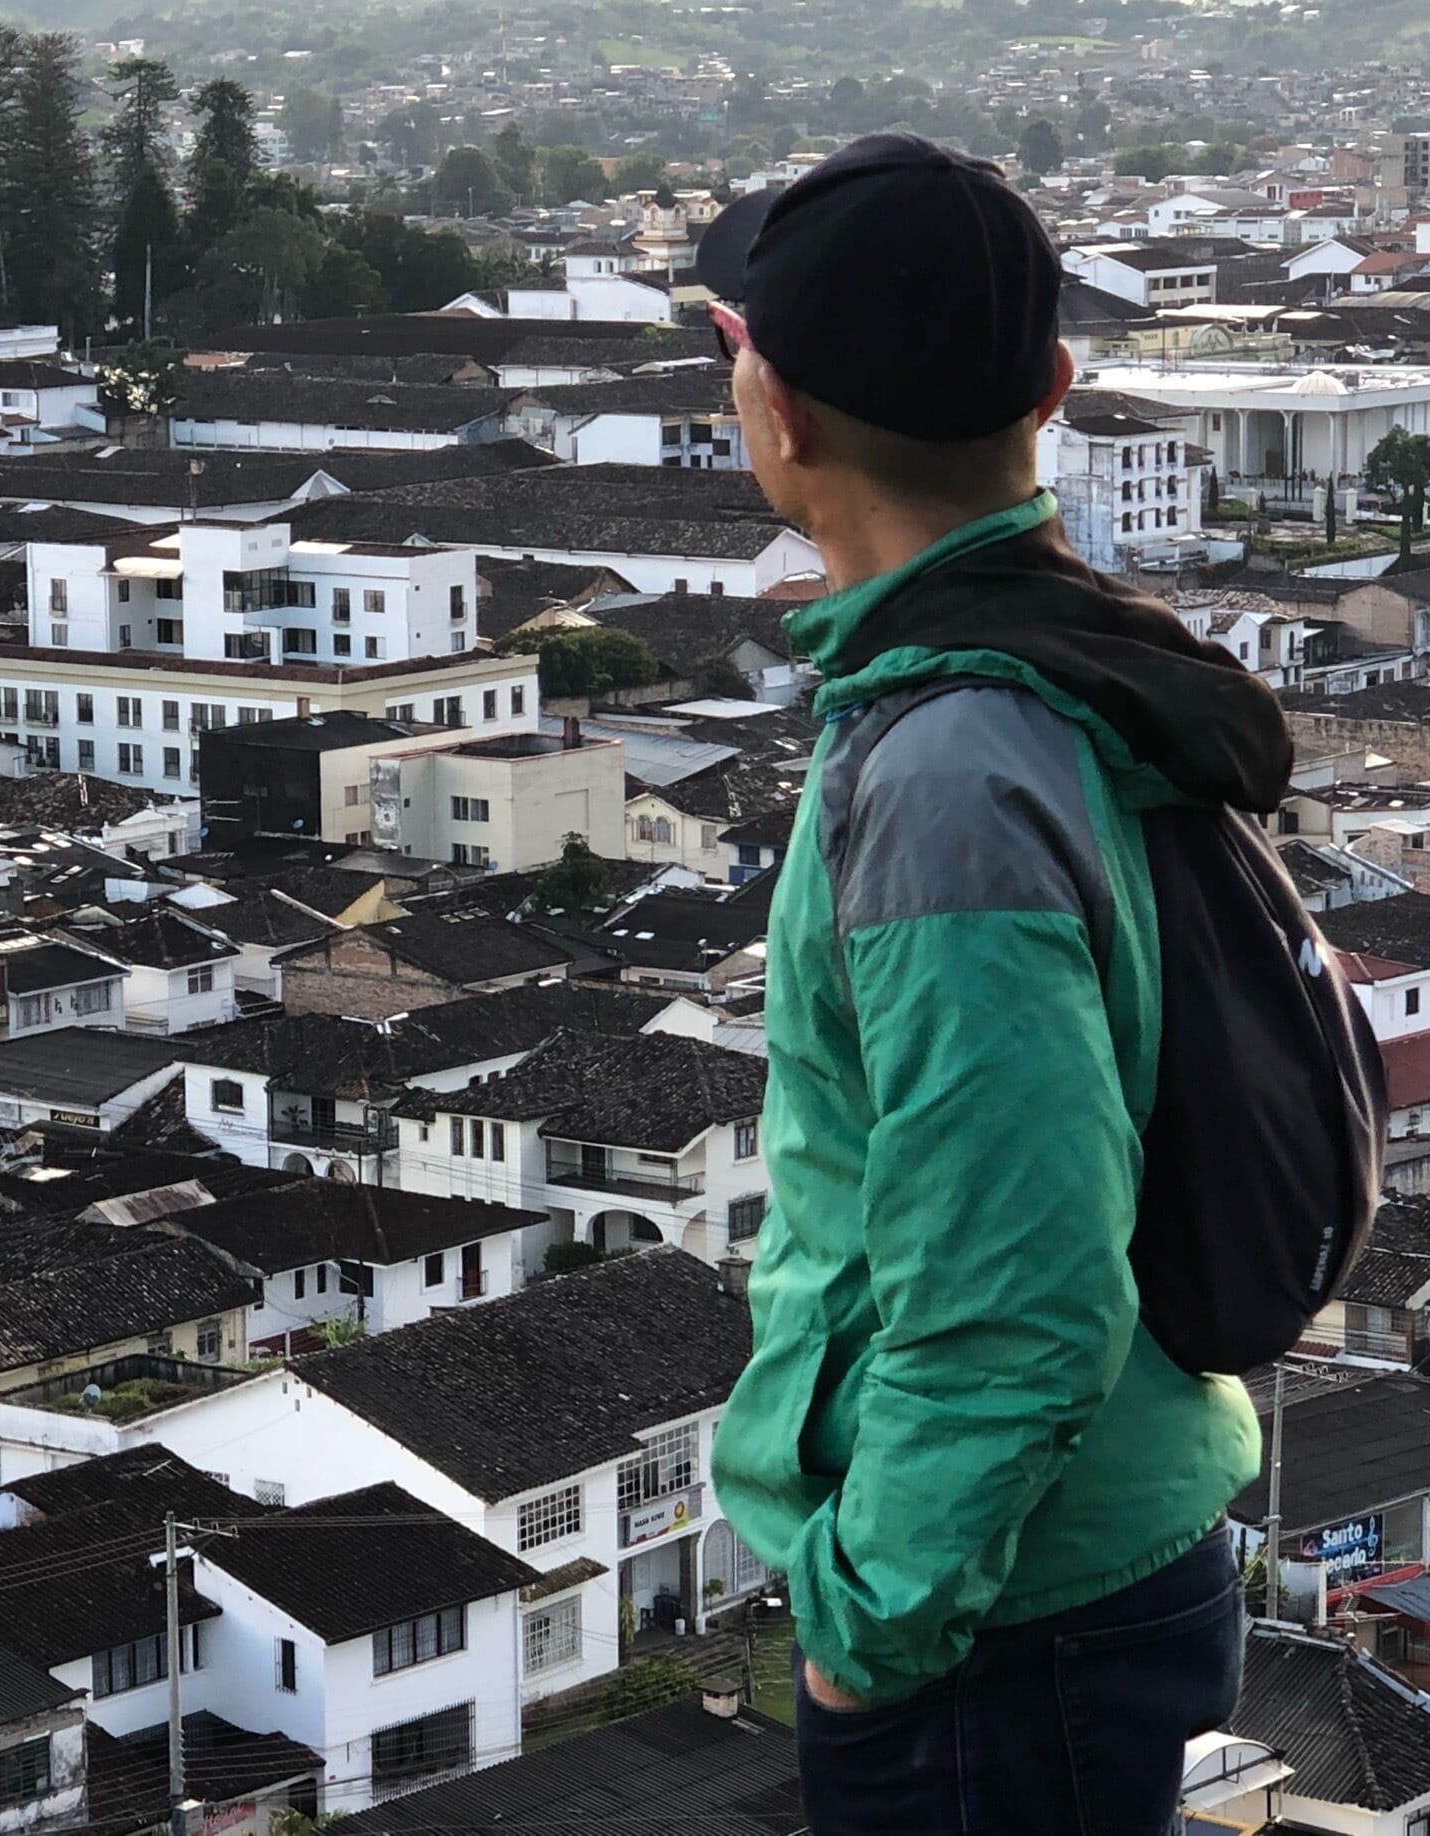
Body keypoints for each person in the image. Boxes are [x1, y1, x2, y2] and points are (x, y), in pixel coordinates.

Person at [700, 135, 1281, 1834]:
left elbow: (1013, 1294)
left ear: (778, 411)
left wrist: (868, 1630)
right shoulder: (1071, 668)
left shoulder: (955, 764)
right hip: (1081, 1541)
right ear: (1055, 384)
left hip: (1004, 1605)